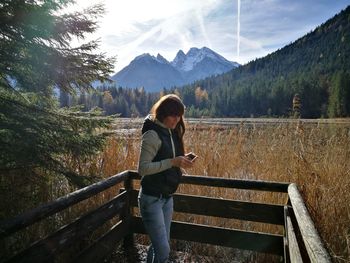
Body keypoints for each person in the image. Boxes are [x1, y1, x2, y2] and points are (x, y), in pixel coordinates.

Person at [137, 94, 195, 263]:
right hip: (151, 199)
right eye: (174, 115)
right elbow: (142, 169)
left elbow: (167, 159)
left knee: (159, 245)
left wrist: (182, 160)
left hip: (167, 198)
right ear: (163, 113)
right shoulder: (152, 135)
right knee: (163, 251)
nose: (178, 119)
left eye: (180, 115)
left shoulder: (171, 131)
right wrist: (172, 162)